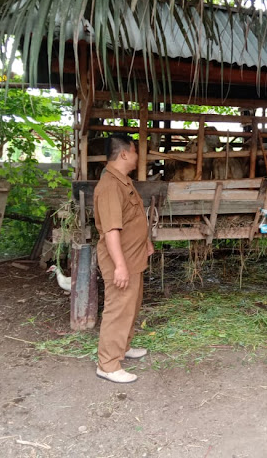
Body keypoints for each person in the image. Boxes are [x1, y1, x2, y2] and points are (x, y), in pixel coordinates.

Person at [93, 133, 154, 384]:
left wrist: (145, 241)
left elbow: (132, 217)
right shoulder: (109, 186)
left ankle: (123, 346)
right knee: (118, 309)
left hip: (133, 257)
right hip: (122, 260)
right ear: (125, 153)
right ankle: (107, 364)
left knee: (131, 305)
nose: (138, 156)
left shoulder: (123, 181)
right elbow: (111, 231)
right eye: (135, 151)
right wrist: (119, 266)